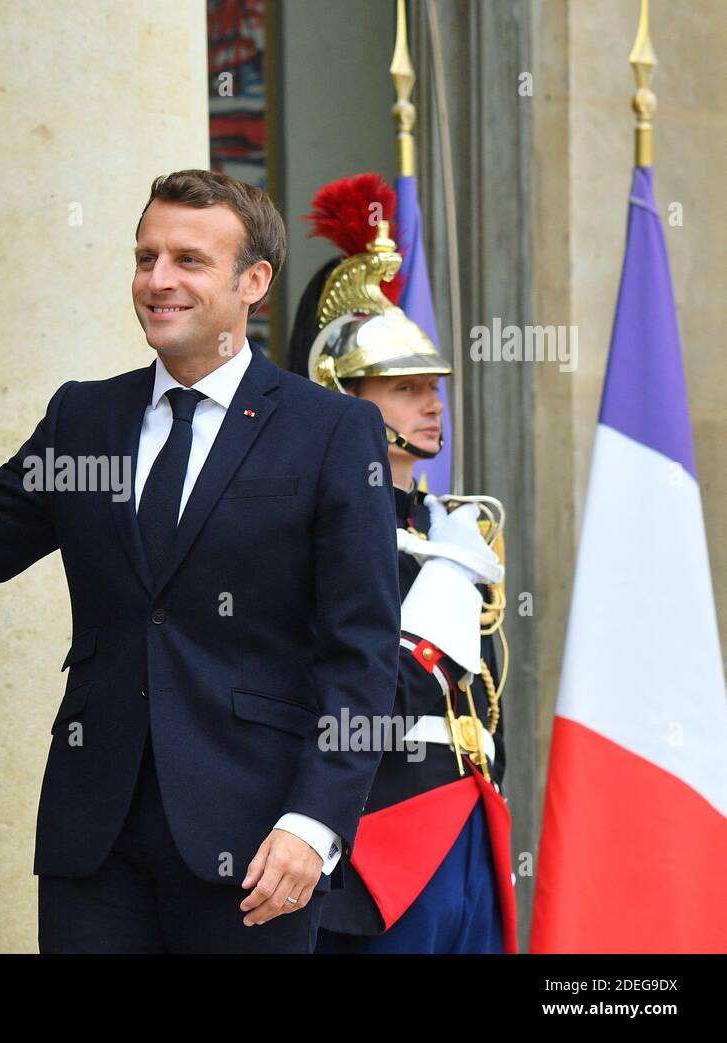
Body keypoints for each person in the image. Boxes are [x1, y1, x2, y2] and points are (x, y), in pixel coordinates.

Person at [0, 169, 400, 953]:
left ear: (254, 282)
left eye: (188, 261)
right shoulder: (84, 417)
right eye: (146, 257)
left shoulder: (331, 431)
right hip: (92, 841)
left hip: (258, 845)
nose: (157, 280)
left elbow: (363, 654)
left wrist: (315, 824)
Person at [288, 173, 515, 953]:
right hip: (379, 836)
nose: (432, 404)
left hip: (466, 816)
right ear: (344, 395)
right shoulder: (313, 525)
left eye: (434, 387)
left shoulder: (451, 529)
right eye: (405, 387)